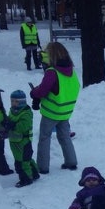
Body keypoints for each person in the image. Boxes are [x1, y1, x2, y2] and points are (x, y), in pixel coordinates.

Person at [30, 42, 80, 174]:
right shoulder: (71, 71)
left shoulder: (52, 72)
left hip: (51, 113)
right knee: (65, 137)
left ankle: (42, 167)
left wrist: (34, 92)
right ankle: (71, 162)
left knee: (44, 138)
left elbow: (42, 91)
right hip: (65, 112)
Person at [4, 90, 40, 187]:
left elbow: (23, 126)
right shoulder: (13, 111)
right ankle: (35, 173)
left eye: (16, 101)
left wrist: (12, 125)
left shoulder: (26, 113)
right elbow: (10, 120)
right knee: (26, 159)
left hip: (23, 142)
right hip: (14, 141)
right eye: (12, 101)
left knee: (22, 162)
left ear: (22, 102)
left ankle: (26, 179)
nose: (14, 103)